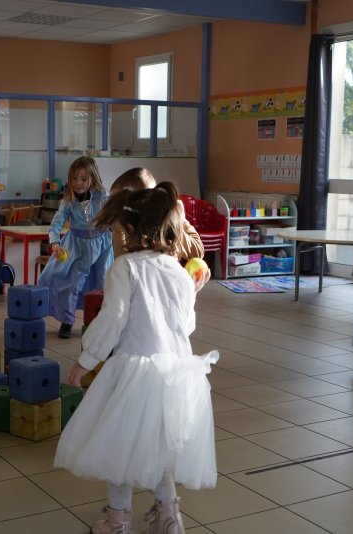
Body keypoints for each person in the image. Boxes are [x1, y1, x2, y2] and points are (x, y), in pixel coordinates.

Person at [54, 182, 218, 533]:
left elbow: (113, 320)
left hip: (134, 373)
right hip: (174, 376)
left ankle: (118, 520)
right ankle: (169, 518)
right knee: (160, 450)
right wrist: (191, 294)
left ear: (130, 229)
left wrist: (86, 360)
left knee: (120, 449)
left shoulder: (124, 268)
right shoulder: (178, 270)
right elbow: (185, 326)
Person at [38, 156, 112, 338]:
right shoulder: (68, 201)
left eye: (84, 179)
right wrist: (55, 244)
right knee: (72, 283)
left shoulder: (102, 196)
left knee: (102, 283)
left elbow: (113, 216)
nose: (78, 183)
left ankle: (100, 321)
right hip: (76, 248)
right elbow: (56, 225)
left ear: (93, 178)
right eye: (74, 178)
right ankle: (67, 320)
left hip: (102, 246)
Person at [108, 167, 204, 261]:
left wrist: (180, 220)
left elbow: (198, 252)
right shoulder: (122, 227)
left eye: (116, 203)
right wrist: (181, 220)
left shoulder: (166, 228)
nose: (111, 208)